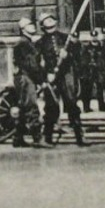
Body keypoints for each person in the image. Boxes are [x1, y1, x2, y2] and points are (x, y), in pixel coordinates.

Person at [39, 13, 85, 147]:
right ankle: (47, 138)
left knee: (72, 104)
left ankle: (79, 136)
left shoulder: (65, 38)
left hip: (65, 75)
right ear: (43, 26)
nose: (50, 24)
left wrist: (68, 54)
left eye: (51, 21)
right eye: (46, 22)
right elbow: (37, 62)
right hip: (51, 78)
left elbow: (77, 53)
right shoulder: (41, 42)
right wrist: (46, 75)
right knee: (51, 107)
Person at [9, 18, 45, 149]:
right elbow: (32, 65)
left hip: (23, 77)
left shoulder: (25, 42)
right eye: (29, 25)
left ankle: (18, 138)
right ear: (23, 29)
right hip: (26, 78)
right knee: (31, 106)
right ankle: (37, 138)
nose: (33, 26)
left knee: (23, 108)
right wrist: (41, 80)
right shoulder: (25, 43)